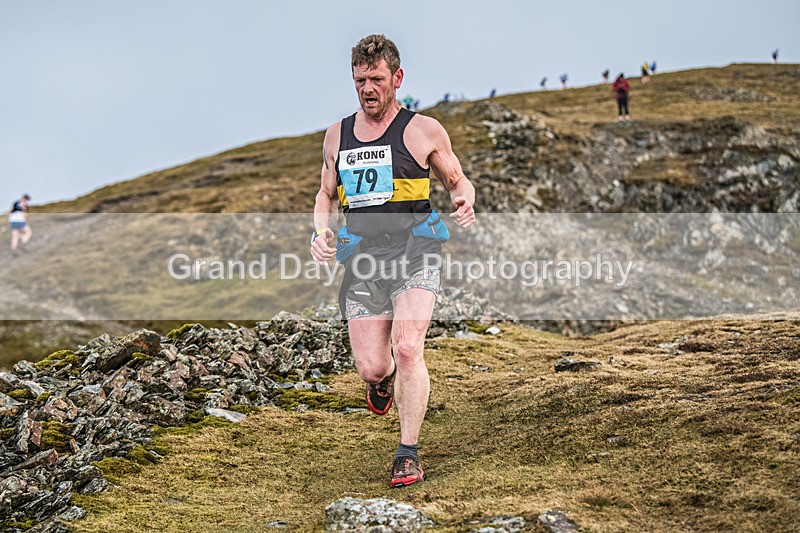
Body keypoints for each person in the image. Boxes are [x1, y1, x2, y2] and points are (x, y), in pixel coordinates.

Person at [311, 34, 476, 488]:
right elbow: (325, 195)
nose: (368, 89)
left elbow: (458, 180)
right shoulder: (336, 136)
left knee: (407, 348)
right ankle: (381, 384)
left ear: (397, 78)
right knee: (373, 366)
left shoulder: (423, 130)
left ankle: (408, 452)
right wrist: (321, 231)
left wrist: (464, 200)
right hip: (363, 259)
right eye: (360, 80)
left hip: (416, 248)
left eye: (377, 79)